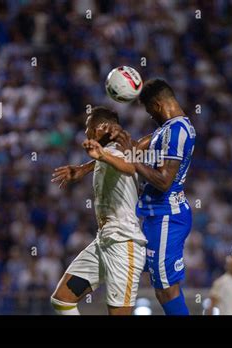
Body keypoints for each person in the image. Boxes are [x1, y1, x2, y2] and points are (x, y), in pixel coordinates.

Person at [53, 79, 196, 315]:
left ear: (158, 105)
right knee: (161, 288)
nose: (149, 115)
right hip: (144, 220)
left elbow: (162, 180)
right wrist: (84, 168)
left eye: (150, 110)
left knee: (165, 289)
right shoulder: (165, 130)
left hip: (166, 216)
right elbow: (127, 152)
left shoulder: (178, 130)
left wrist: (128, 152)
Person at [50, 107, 147, 315]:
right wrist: (83, 169)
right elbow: (104, 159)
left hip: (124, 244)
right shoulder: (108, 152)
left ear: (103, 127)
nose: (86, 133)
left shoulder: (122, 147)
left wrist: (101, 154)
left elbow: (129, 167)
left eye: (89, 127)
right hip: (103, 242)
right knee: (62, 300)